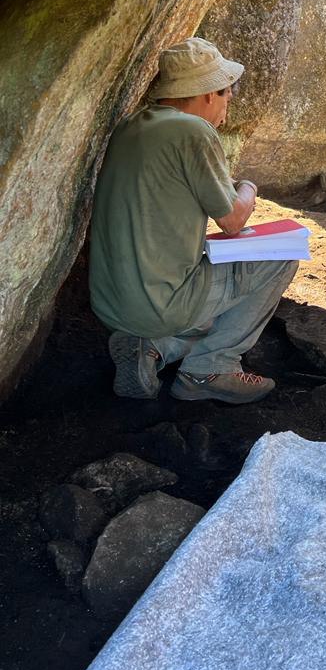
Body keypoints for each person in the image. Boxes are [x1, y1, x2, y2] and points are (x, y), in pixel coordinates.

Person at [90, 37, 298, 405]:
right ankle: (211, 369)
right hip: (161, 302)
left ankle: (153, 347)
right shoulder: (194, 132)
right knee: (282, 257)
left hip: (111, 303)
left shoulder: (131, 126)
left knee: (203, 282)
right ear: (207, 94)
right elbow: (233, 220)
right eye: (225, 100)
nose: (225, 114)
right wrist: (248, 187)